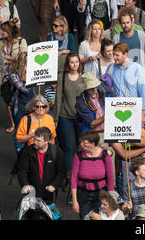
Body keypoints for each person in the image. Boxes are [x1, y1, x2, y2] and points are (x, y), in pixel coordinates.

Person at [54, 53, 83, 191]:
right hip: (65, 115)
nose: (74, 64)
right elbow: (58, 98)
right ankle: (68, 176)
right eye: (72, 62)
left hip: (80, 117)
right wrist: (55, 118)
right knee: (67, 147)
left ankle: (80, 175)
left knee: (80, 146)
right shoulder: (62, 77)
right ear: (67, 64)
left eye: (77, 62)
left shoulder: (83, 78)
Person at [71, 130, 115, 220]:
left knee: (100, 217)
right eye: (81, 142)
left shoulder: (105, 155)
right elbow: (73, 178)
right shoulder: (78, 156)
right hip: (84, 194)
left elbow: (110, 178)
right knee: (85, 217)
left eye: (85, 143)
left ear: (93, 143)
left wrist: (110, 198)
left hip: (101, 194)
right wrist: (75, 201)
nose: (81, 144)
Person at [18, 126, 66, 204]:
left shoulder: (57, 151)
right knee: (32, 214)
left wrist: (54, 185)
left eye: (38, 141)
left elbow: (61, 171)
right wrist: (26, 185)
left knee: (48, 214)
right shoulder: (28, 151)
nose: (35, 142)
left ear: (47, 141)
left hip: (49, 192)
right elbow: (22, 170)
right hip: (32, 191)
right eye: (34, 139)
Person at [106, 43, 145, 126]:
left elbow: (143, 93)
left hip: (134, 111)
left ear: (125, 54)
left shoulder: (138, 69)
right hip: (115, 111)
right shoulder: (110, 68)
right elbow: (106, 89)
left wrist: (143, 114)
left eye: (117, 55)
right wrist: (112, 97)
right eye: (113, 54)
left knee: (134, 138)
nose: (114, 57)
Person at [0, 18, 27, 132]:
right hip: (5, 76)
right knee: (8, 101)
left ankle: (22, 123)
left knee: (19, 100)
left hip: (18, 76)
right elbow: (0, 59)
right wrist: (13, 59)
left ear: (9, 31)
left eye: (4, 31)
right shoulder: (1, 43)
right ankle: (13, 124)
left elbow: (23, 58)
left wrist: (9, 58)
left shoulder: (21, 41)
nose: (1, 33)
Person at [113, 7, 145, 83]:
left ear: (132, 22)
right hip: (122, 75)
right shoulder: (116, 38)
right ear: (120, 24)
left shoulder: (141, 35)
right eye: (123, 23)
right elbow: (114, 58)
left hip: (139, 74)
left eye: (127, 22)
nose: (126, 25)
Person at [8, 52, 35, 152]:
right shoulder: (14, 75)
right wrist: (31, 78)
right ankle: (19, 151)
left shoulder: (31, 73)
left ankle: (27, 153)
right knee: (19, 132)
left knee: (30, 130)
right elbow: (23, 89)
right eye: (26, 61)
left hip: (31, 107)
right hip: (19, 108)